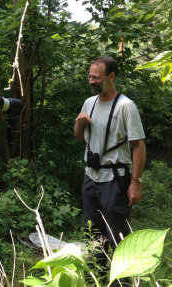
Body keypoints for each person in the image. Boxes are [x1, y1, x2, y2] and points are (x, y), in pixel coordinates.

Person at [74, 56, 146, 275]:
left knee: (118, 236)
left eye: (97, 77)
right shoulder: (89, 103)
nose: (92, 81)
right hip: (91, 178)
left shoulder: (126, 106)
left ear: (112, 76)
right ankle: (95, 277)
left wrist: (135, 182)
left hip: (115, 180)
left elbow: (138, 145)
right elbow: (79, 137)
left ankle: (122, 279)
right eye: (90, 77)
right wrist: (80, 123)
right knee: (92, 235)